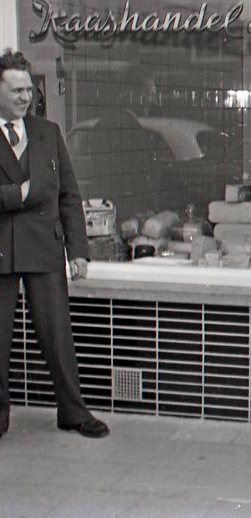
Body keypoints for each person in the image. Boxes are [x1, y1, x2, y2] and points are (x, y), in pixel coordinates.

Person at [0, 50, 108, 439]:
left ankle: (73, 412)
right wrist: (18, 194)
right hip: (2, 250)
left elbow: (69, 196)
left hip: (45, 247)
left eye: (28, 90)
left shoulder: (48, 132)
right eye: (16, 90)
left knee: (57, 335)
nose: (25, 97)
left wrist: (77, 251)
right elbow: (27, 193)